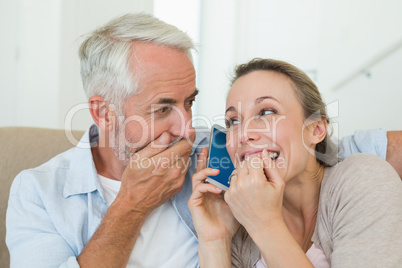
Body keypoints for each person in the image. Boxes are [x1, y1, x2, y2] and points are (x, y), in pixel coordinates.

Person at [5, 13, 401, 268]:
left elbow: (318, 154)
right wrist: (131, 205)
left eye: (189, 103)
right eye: (162, 108)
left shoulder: (216, 161)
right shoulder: (39, 192)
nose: (187, 129)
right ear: (103, 112)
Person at [188, 58, 402, 267]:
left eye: (267, 112)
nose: (244, 134)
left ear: (316, 129)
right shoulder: (240, 222)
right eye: (233, 121)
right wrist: (216, 239)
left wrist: (265, 224)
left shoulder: (363, 180)